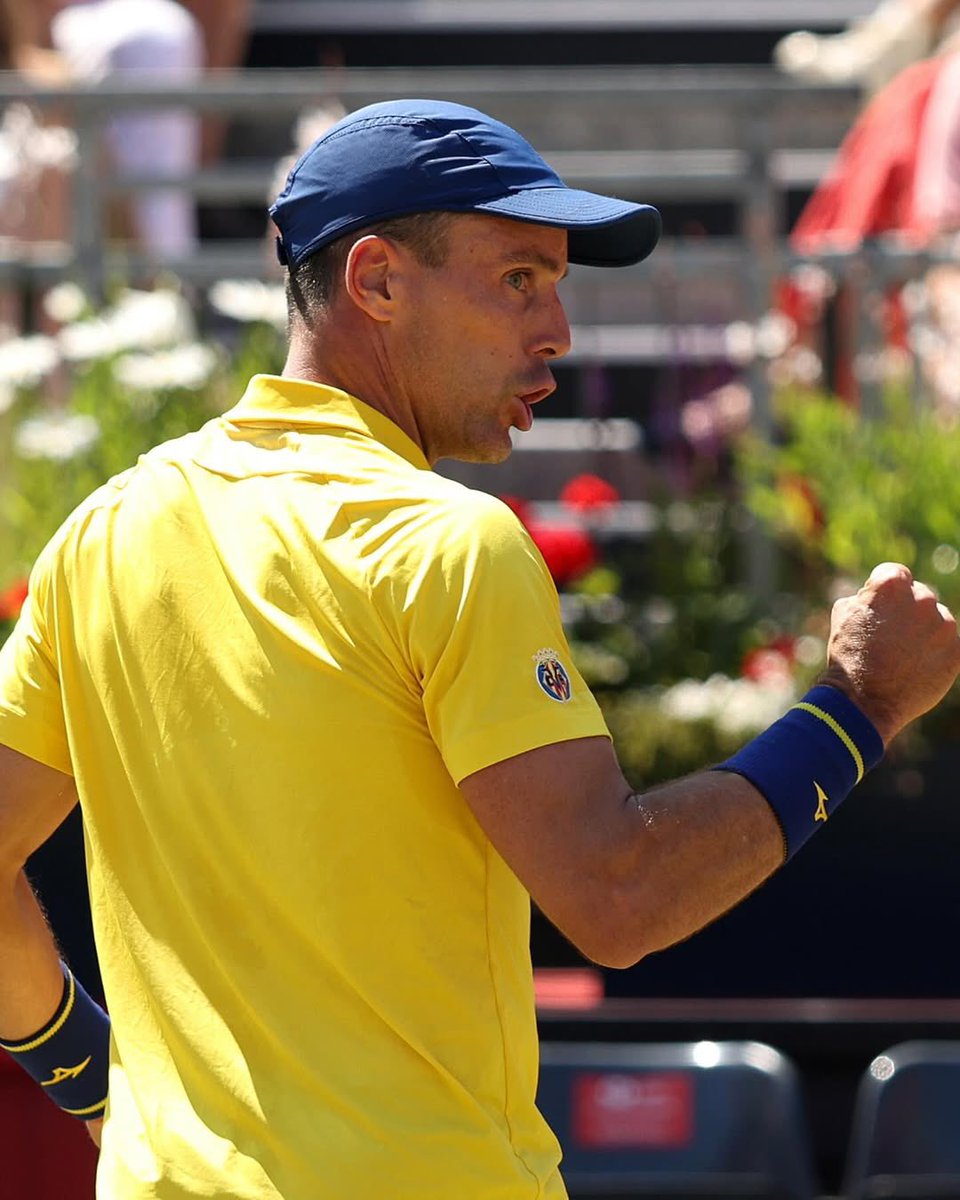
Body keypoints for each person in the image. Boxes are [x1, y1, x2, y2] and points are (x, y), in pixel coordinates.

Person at [0, 99, 958, 1199]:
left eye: (557, 284)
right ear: (376, 281)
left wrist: (90, 1080)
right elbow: (619, 897)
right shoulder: (446, 544)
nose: (558, 331)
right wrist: (860, 707)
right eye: (517, 280)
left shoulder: (107, 528)